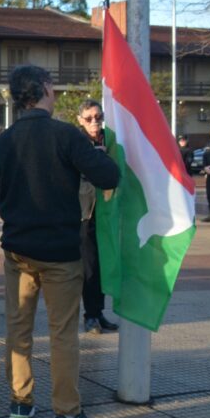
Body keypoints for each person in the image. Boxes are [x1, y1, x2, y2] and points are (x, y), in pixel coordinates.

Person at [0, 65, 119, 418]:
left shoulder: (5, 140)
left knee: (18, 328)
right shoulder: (66, 135)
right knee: (62, 333)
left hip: (17, 249)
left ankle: (20, 403)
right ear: (45, 88)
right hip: (60, 252)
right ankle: (67, 415)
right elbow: (109, 176)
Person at [76, 101, 120, 335]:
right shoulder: (76, 142)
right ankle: (90, 315)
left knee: (103, 264)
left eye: (98, 117)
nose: (95, 122)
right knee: (90, 266)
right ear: (80, 120)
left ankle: (99, 312)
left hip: (107, 212)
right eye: (89, 118)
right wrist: (94, 159)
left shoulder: (110, 141)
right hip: (86, 213)